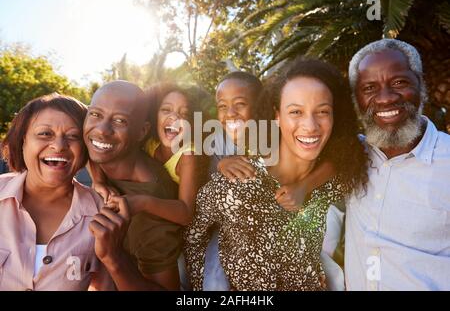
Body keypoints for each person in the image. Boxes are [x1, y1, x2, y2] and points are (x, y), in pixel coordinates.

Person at [184, 59, 368, 290]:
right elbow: (193, 238)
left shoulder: (338, 176)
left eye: (322, 111)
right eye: (295, 111)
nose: (310, 125)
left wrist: (306, 186)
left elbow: (354, 154)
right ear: (276, 115)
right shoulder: (233, 183)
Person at [345, 39, 450, 291]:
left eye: (399, 83)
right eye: (369, 88)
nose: (385, 99)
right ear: (356, 99)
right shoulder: (349, 156)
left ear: (421, 85)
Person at [0, 94, 114, 291]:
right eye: (45, 133)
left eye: (73, 136)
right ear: (22, 140)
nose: (60, 146)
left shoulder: (103, 212)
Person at [84, 80, 181, 290]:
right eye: (96, 114)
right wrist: (98, 180)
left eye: (119, 120)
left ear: (141, 132)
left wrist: (113, 257)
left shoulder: (150, 210)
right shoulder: (101, 146)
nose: (101, 130)